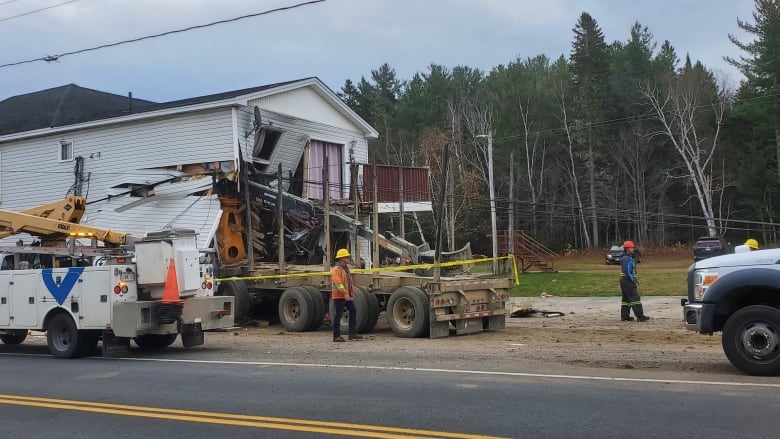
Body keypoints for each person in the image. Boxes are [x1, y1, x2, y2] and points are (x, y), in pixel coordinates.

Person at [330, 248, 363, 342]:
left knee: (353, 311)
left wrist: (350, 294)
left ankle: (352, 334)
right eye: (347, 257)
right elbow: (338, 283)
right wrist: (345, 293)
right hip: (339, 296)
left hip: (346, 295)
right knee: (338, 315)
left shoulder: (345, 269)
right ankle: (336, 336)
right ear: (342, 258)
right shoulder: (336, 270)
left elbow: (348, 283)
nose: (348, 258)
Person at [620, 240, 649, 322]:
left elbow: (632, 271)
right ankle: (640, 316)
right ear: (627, 249)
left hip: (624, 280)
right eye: (632, 248)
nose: (633, 249)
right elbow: (627, 271)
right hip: (627, 280)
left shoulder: (627, 257)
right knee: (635, 297)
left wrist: (636, 279)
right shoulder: (626, 258)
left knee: (626, 299)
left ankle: (625, 316)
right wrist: (632, 280)